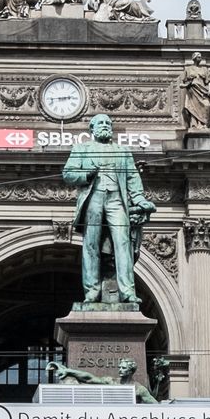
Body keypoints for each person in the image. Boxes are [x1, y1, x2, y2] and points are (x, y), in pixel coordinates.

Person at [60, 113, 155, 304]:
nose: (104, 126)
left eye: (107, 123)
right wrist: (87, 174)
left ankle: (127, 291)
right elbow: (68, 173)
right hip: (93, 198)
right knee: (91, 245)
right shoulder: (82, 149)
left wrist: (140, 199)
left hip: (116, 200)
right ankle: (92, 292)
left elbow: (132, 179)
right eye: (100, 123)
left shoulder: (123, 151)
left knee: (123, 244)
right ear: (92, 129)